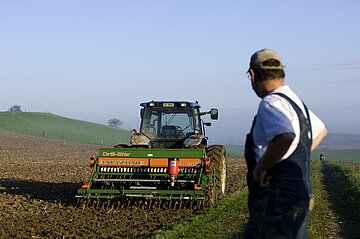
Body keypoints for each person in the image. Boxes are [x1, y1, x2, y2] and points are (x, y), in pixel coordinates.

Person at [243, 49, 328, 239]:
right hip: (300, 193)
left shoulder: (271, 103)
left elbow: (285, 136)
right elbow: (321, 130)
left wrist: (261, 169)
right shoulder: (295, 102)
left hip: (276, 198)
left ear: (253, 74)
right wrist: (293, 156)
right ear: (281, 72)